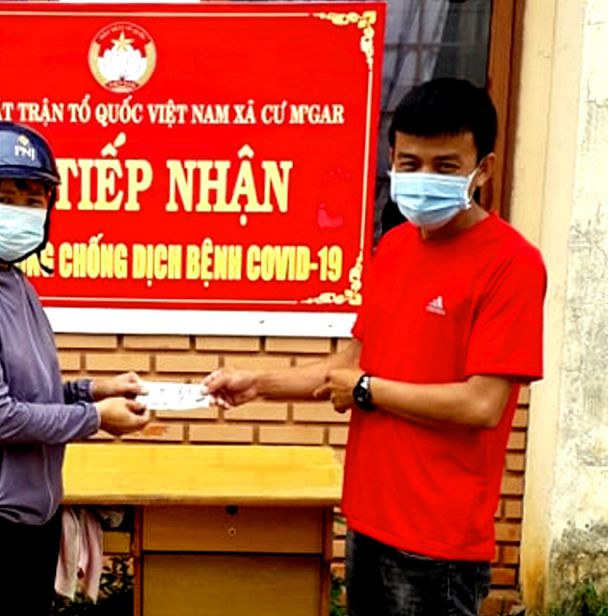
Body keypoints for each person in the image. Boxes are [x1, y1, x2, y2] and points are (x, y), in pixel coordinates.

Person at [203, 78, 546, 616]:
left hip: (438, 539)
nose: (424, 177)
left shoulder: (512, 264)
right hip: (368, 518)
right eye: (411, 163)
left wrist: (366, 390)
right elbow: (353, 363)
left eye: (445, 166)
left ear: (484, 169)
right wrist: (258, 384)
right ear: (391, 160)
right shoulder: (395, 248)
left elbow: (482, 403)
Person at [0, 121, 151, 616]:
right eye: (4, 198)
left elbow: (30, 394)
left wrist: (95, 389)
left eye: (33, 200)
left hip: (30, 520)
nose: (20, 211)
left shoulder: (14, 283)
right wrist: (96, 418)